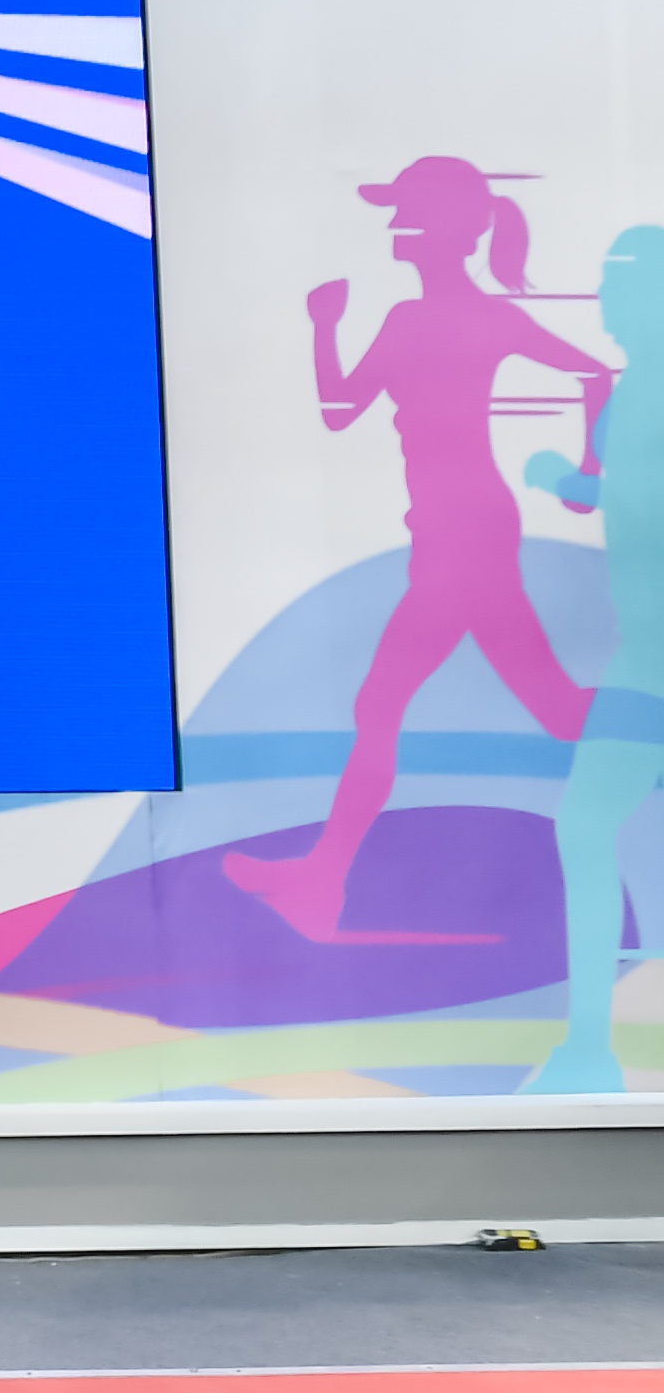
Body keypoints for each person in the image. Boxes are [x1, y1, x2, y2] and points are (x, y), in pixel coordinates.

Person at [226, 155, 605, 941]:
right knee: (554, 709)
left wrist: (586, 473)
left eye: (406, 213)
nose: (394, 227)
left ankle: (320, 884)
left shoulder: (444, 318)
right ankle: (320, 882)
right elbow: (340, 411)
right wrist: (324, 327)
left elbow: (593, 375)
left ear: (445, 229)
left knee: (389, 704)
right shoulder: (421, 317)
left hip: (464, 537)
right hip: (454, 532)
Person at [523, 222, 661, 1093]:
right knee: (582, 826)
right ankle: (584, 1050)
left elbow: (638, 497)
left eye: (617, 283)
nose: (602, 299)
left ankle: (586, 1049)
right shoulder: (625, 388)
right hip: (642, 660)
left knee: (584, 825)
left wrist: (570, 481)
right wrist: (563, 480)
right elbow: (618, 494)